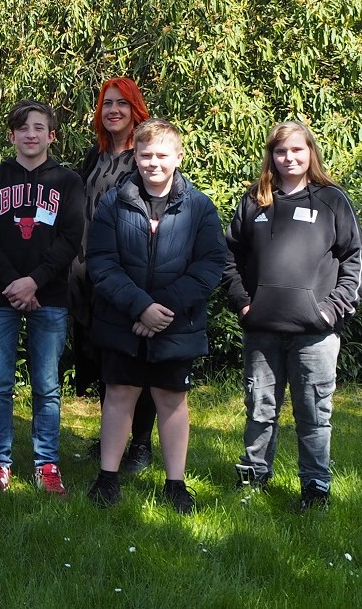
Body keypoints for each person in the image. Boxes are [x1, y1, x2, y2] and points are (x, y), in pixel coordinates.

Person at [85, 120, 226, 513]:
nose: (153, 163)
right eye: (145, 155)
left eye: (162, 155)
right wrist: (139, 306)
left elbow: (211, 264)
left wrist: (159, 308)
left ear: (178, 157)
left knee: (171, 400)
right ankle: (107, 479)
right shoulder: (114, 202)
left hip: (175, 323)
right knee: (119, 395)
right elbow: (101, 261)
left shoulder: (199, 207)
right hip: (122, 320)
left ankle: (175, 484)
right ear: (135, 156)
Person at [222, 121, 360, 511]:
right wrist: (244, 304)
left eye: (297, 150)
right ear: (272, 155)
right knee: (260, 410)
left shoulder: (333, 200)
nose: (289, 158)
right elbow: (229, 257)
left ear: (310, 152)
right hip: (261, 329)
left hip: (315, 334)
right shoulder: (255, 200)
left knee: (314, 414)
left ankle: (315, 489)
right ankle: (253, 479)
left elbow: (354, 260)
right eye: (281, 151)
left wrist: (331, 310)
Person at [0, 99, 83, 496]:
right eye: (23, 128)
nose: (31, 134)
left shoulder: (68, 182)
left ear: (51, 135)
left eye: (39, 127)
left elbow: (71, 238)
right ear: (11, 135)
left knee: (47, 385)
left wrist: (34, 281)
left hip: (49, 295)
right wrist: (14, 283)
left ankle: (46, 463)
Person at [72, 77, 157, 474]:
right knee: (107, 362)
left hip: (128, 274)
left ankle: (140, 445)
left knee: (135, 361)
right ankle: (112, 438)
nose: (113, 111)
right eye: (107, 104)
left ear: (135, 108)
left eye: (122, 103)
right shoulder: (96, 155)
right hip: (88, 278)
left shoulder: (144, 158)